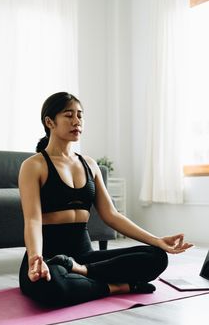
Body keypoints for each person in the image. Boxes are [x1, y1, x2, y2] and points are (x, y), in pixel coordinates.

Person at [19, 92, 193, 307]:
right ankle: (117, 286)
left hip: (84, 259)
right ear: (49, 122)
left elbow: (111, 215)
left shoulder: (90, 165)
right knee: (50, 285)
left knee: (156, 256)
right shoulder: (34, 165)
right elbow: (33, 220)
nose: (77, 121)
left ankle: (83, 273)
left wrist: (157, 240)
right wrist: (35, 259)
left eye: (80, 116)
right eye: (68, 115)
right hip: (49, 257)